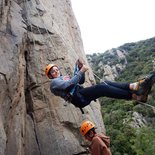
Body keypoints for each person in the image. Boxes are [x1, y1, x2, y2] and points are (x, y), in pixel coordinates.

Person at [45, 59, 155, 108]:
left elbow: (80, 81)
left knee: (106, 83)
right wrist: (81, 71)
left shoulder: (62, 78)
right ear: (50, 76)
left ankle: (135, 88)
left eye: (56, 69)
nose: (56, 71)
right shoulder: (54, 83)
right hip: (78, 97)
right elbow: (68, 85)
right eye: (53, 71)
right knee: (101, 88)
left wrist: (80, 70)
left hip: (80, 94)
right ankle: (134, 95)